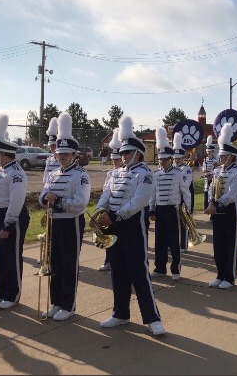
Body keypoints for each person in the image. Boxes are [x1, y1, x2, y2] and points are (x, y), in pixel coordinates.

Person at [96, 115, 165, 336]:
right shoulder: (114, 173)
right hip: (112, 226)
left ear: (138, 153)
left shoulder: (145, 174)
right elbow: (106, 195)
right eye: (122, 152)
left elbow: (138, 202)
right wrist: (99, 213)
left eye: (126, 153)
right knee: (117, 272)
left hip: (133, 227)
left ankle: (152, 318)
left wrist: (114, 218)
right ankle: (120, 313)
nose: (122, 156)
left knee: (138, 272)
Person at [39, 112, 90, 321]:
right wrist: (45, 198)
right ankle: (56, 302)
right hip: (54, 224)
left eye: (66, 154)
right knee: (55, 264)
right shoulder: (52, 173)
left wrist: (58, 201)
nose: (61, 156)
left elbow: (80, 203)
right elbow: (42, 194)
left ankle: (68, 305)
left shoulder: (81, 175)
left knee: (69, 265)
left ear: (74, 155)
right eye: (59, 153)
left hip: (71, 224)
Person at [0, 114, 29, 310]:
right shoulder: (0, 170)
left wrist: (7, 224)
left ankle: (13, 293)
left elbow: (16, 202)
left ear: (4, 153)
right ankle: (0, 290)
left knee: (11, 256)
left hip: (11, 218)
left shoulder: (16, 172)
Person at [204, 123, 237, 289]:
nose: (219, 159)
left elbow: (231, 193)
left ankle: (230, 277)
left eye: (222, 156)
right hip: (217, 210)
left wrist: (217, 205)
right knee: (218, 245)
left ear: (230, 156)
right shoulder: (217, 171)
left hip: (229, 210)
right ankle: (220, 275)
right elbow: (213, 188)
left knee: (230, 244)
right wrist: (211, 202)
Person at [149, 128, 191, 280]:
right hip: (160, 210)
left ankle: (176, 270)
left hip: (173, 210)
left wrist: (187, 209)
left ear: (170, 158)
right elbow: (153, 194)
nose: (162, 161)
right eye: (160, 159)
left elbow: (186, 192)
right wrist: (151, 210)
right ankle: (160, 268)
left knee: (174, 241)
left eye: (165, 159)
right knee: (159, 241)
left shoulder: (179, 173)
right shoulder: (156, 174)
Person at [98, 130, 122, 272]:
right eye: (113, 160)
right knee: (109, 235)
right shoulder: (110, 173)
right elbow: (106, 191)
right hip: (111, 208)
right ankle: (108, 260)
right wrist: (101, 208)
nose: (114, 162)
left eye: (117, 159)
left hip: (122, 211)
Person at [172, 132, 194, 253]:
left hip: (182, 196)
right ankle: (174, 244)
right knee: (174, 224)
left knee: (183, 223)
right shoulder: (172, 168)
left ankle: (183, 245)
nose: (176, 160)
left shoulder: (187, 169)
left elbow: (186, 185)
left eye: (179, 158)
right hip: (173, 197)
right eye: (175, 158)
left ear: (183, 158)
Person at [201, 136, 218, 211]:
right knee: (205, 193)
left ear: (213, 152)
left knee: (212, 194)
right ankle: (205, 208)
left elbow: (216, 169)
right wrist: (204, 170)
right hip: (206, 178)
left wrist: (211, 174)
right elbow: (203, 168)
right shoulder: (205, 159)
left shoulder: (216, 159)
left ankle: (212, 208)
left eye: (210, 152)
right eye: (207, 152)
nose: (208, 153)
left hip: (213, 178)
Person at [42, 117, 60, 184]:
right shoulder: (49, 159)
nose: (51, 148)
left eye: (54, 145)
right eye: (51, 145)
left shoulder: (64, 160)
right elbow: (45, 178)